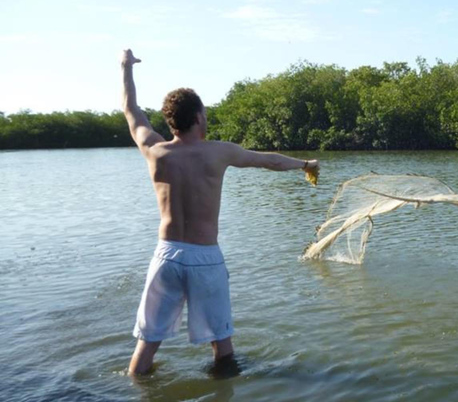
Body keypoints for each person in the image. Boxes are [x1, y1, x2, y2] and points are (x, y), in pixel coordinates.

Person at [121, 49, 318, 375]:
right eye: (205, 113)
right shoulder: (218, 152)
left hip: (166, 255)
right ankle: (223, 388)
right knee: (222, 344)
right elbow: (269, 160)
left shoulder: (155, 151)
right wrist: (305, 165)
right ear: (198, 117)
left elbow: (130, 110)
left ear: (171, 121)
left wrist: (126, 67)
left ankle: (136, 391)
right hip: (204, 257)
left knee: (147, 342)